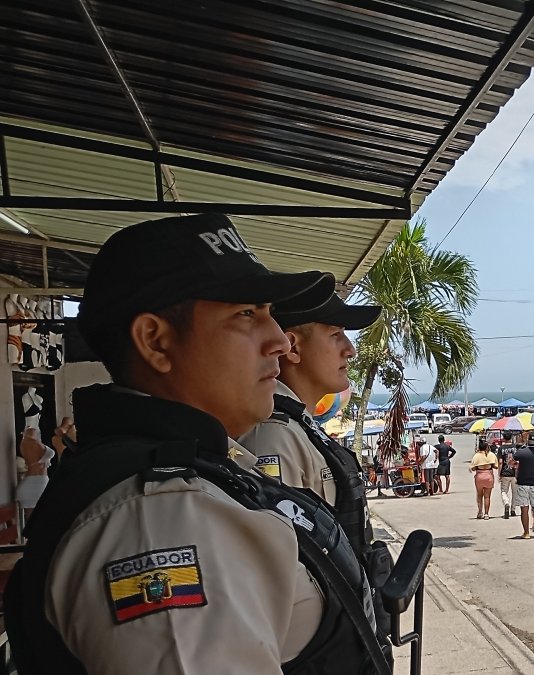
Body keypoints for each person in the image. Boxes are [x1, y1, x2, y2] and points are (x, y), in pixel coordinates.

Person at [4, 213, 392, 675]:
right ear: (156, 341)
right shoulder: (161, 519)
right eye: (246, 314)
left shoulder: (196, 472)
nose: (276, 339)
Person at [237, 292, 392, 656]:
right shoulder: (274, 435)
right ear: (292, 346)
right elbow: (285, 568)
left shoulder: (300, 428)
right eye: (336, 334)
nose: (350, 350)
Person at [16, 428, 53, 518]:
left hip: (35, 483)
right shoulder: (31, 443)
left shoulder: (26, 443)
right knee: (38, 523)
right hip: (36, 485)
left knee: (36, 523)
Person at [470, 438, 498, 519]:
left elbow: (473, 468)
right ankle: (486, 514)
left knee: (479, 495)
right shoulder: (491, 455)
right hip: (489, 476)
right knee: (487, 496)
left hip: (479, 476)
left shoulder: (476, 456)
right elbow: (496, 466)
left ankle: (479, 512)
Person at [496, 431, 519, 518]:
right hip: (515, 473)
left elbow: (500, 462)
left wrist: (499, 474)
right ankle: (513, 510)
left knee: (504, 491)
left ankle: (506, 503)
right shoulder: (515, 447)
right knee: (515, 492)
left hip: (505, 473)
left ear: (504, 438)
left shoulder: (501, 448)